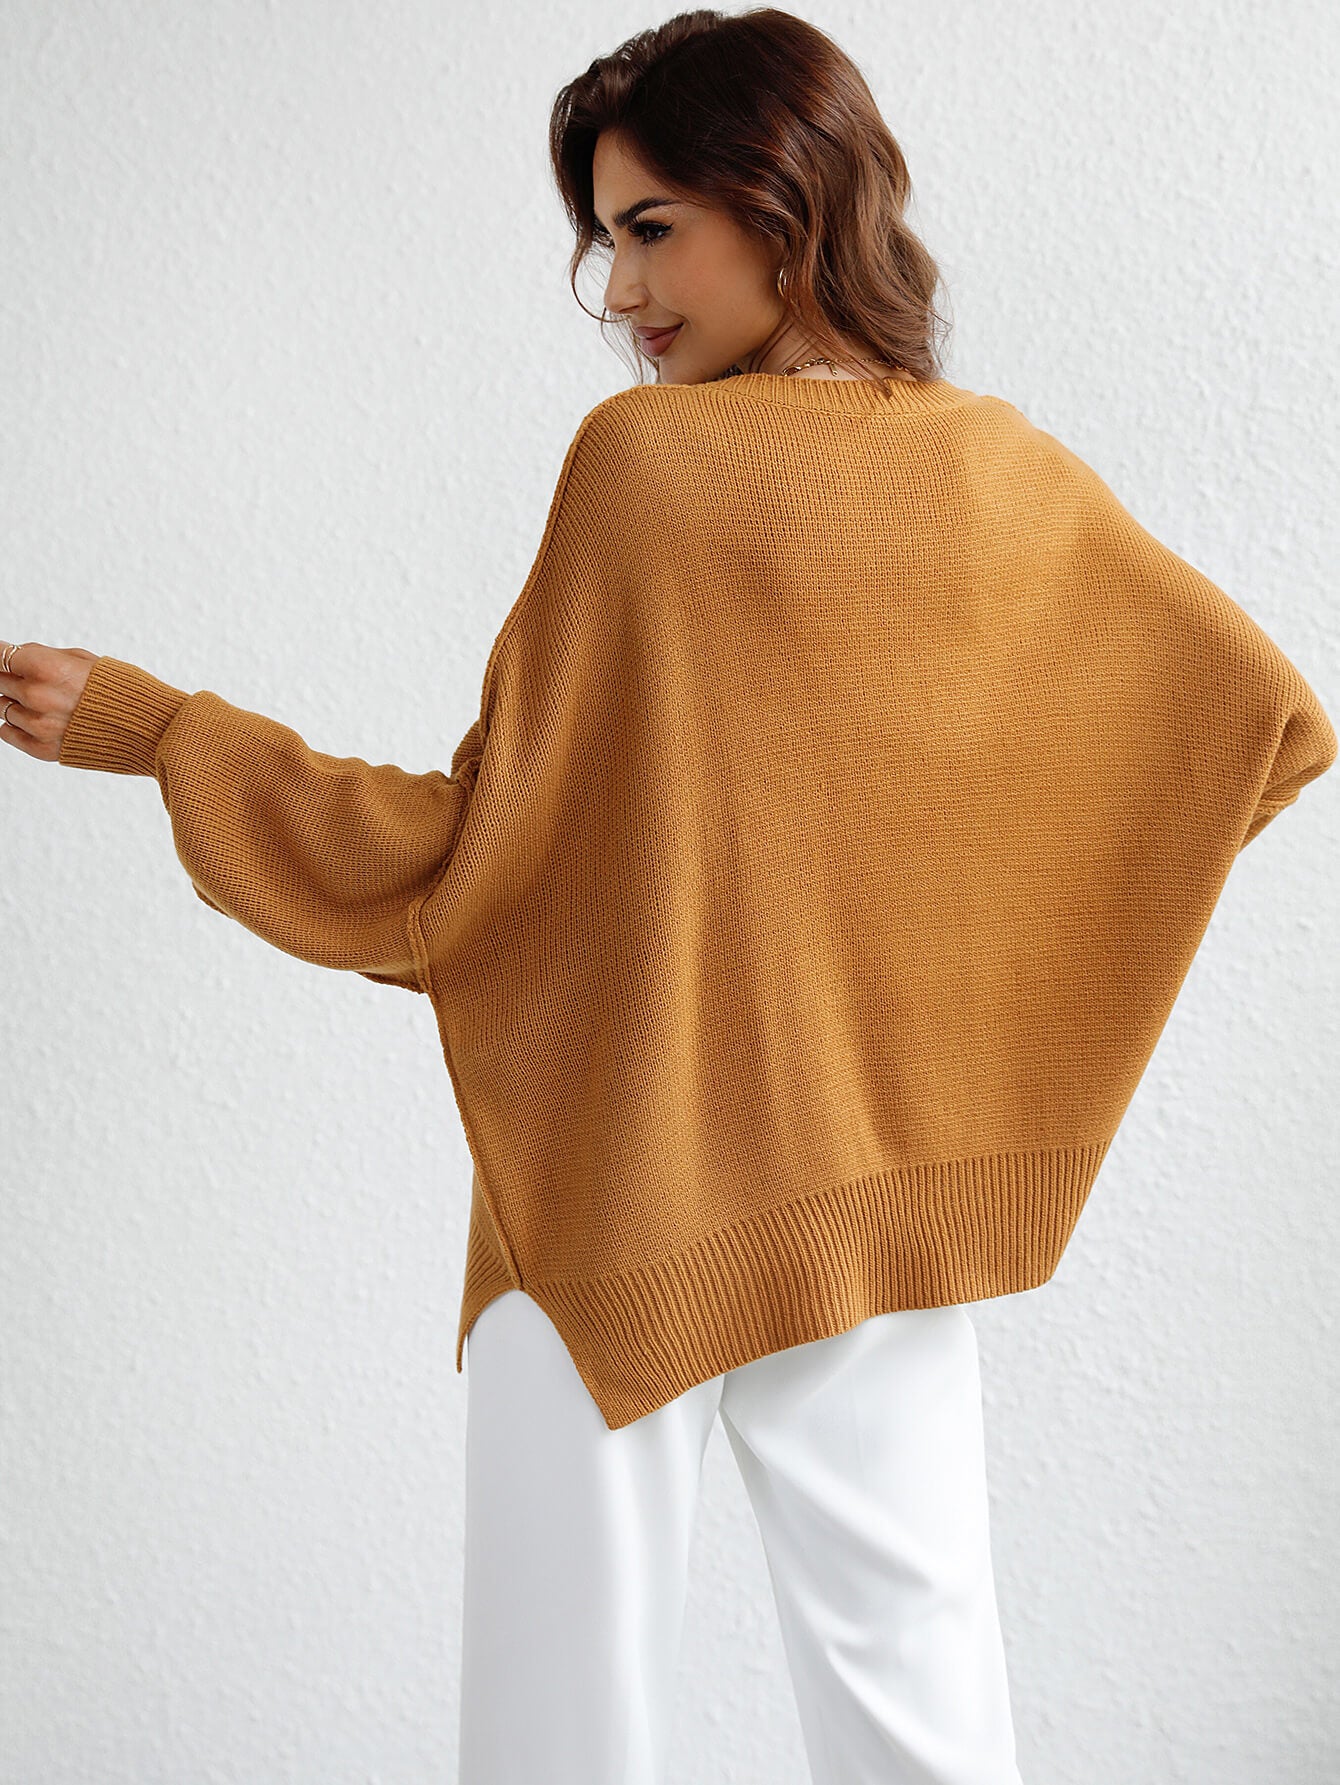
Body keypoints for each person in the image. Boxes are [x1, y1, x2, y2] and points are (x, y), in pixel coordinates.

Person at [6, 10, 1334, 1784]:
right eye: (601, 240)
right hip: (871, 1205)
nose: (618, 291)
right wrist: (971, 978)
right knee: (926, 1714)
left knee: (560, 1731)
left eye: (651, 229)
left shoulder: (645, 471)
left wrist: (166, 733)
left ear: (785, 203)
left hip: (612, 1190)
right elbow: (1257, 726)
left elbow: (476, 857)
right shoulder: (1002, 473)